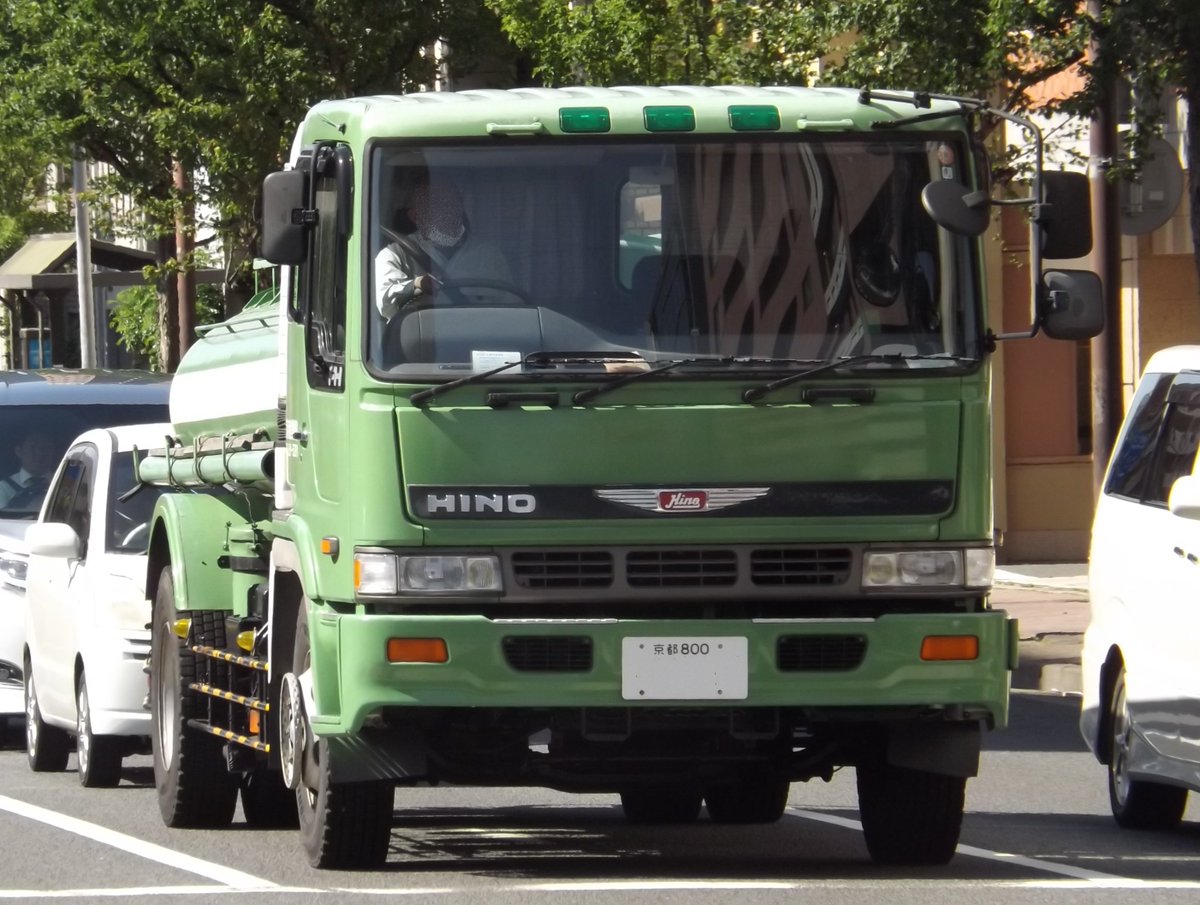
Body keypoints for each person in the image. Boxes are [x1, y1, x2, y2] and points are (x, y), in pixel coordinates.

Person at [374, 176, 516, 321]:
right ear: (416, 216)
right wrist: (417, 285)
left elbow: (511, 310)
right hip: (423, 340)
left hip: (479, 338)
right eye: (438, 206)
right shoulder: (395, 254)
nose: (450, 211)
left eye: (454, 203)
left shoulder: (489, 254)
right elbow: (385, 304)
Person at [0, 429, 57, 511]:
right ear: (19, 451)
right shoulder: (4, 488)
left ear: (53, 452)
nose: (40, 453)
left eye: (46, 448)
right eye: (32, 447)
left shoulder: (64, 484)